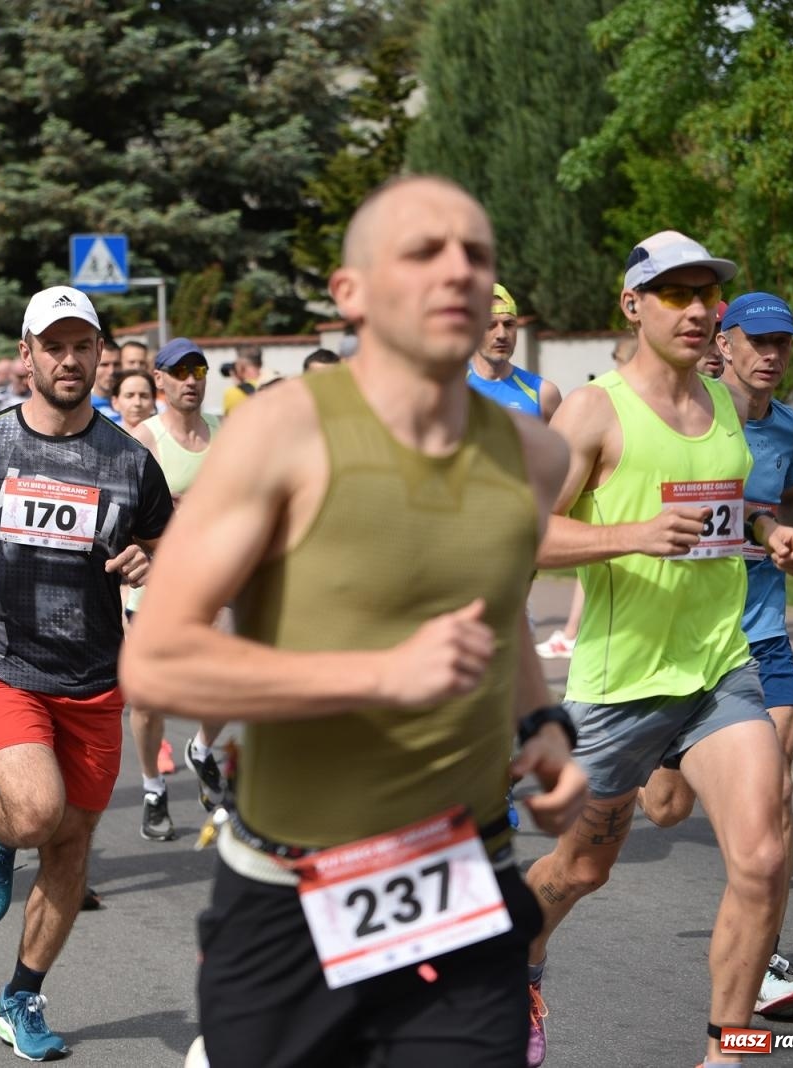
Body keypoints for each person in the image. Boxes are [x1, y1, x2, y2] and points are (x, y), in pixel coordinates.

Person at [120, 175, 585, 1068]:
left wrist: (542, 727)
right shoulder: (282, 431)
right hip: (294, 894)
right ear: (351, 294)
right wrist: (378, 676)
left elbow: (497, 616)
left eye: (477, 255)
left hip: (463, 881)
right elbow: (158, 662)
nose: (459, 273)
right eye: (422, 252)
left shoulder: (533, 454)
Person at [524, 230, 793, 1066]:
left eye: (705, 295)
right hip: (623, 686)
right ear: (632, 304)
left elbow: (732, 505)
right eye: (675, 294)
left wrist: (772, 531)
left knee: (763, 854)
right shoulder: (593, 410)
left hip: (721, 667)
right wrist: (634, 534)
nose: (695, 310)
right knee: (580, 871)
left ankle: (731, 1052)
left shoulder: (723, 404)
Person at [0, 284, 167, 1061]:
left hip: (94, 676)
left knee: (72, 846)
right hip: (4, 663)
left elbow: (174, 544)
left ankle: (21, 997)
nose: (70, 359)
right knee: (38, 811)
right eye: (55, 345)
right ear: (27, 356)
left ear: (101, 355)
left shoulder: (129, 461)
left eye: (84, 345)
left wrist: (156, 555)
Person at [633, 291, 793, 1022]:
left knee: (778, 795)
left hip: (760, 633)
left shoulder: (786, 424)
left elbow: (791, 496)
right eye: (757, 341)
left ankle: (765, 959)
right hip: (689, 636)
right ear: (723, 345)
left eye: (783, 343)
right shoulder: (694, 417)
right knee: (666, 810)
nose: (772, 355)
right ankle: (648, 759)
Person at [126, 338, 224, 842]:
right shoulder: (143, 438)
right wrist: (169, 511)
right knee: (147, 699)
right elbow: (124, 513)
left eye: (199, 370)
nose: (191, 380)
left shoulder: (225, 435)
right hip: (155, 588)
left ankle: (201, 750)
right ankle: (151, 787)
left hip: (214, 581)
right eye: (179, 371)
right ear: (159, 380)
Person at [538, 332, 638, 660]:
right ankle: (571, 632)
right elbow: (537, 530)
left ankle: (570, 633)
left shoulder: (722, 403)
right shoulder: (593, 402)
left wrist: (760, 522)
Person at [466, 284, 562, 419]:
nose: (502, 334)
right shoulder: (449, 389)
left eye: (508, 324)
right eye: (490, 325)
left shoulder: (544, 393)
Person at [220, 346, 263, 415]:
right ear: (260, 364)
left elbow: (229, 424)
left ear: (241, 366)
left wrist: (239, 386)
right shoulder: (274, 386)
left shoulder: (231, 393)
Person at [90, 339, 122, 421]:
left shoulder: (133, 402)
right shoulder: (82, 406)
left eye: (116, 364)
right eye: (104, 365)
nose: (111, 371)